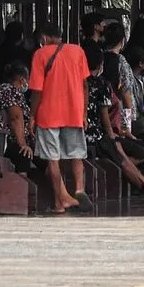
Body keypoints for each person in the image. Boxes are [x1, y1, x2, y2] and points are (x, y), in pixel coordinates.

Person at [27, 23, 92, 214]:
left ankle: (59, 203)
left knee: (53, 159)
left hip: (48, 115)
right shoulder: (78, 51)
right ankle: (79, 189)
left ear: (44, 39)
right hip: (74, 112)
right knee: (76, 154)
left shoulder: (40, 55)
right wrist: (84, 113)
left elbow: (37, 90)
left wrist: (31, 115)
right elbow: (85, 85)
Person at [84, 45, 144, 196]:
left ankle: (142, 181)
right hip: (101, 133)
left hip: (92, 132)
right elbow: (122, 110)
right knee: (123, 154)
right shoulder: (105, 86)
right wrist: (121, 132)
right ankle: (141, 182)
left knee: (123, 152)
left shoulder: (82, 83)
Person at [0, 64, 32, 172]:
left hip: (5, 140)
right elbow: (15, 118)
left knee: (42, 156)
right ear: (22, 79)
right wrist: (23, 145)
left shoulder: (15, 93)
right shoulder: (9, 90)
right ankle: (20, 187)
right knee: (24, 154)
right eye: (28, 79)